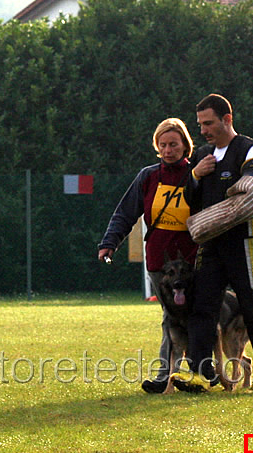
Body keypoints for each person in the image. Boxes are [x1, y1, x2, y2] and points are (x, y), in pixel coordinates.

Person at [171, 93, 253, 394]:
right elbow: (188, 198)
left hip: (245, 242)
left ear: (227, 119)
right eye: (200, 124)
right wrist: (194, 175)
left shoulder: (249, 149)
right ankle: (199, 374)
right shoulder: (202, 156)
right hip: (211, 245)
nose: (203, 130)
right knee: (201, 308)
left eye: (209, 123)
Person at [98, 118, 198, 393]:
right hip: (160, 264)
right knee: (170, 316)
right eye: (162, 145)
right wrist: (110, 242)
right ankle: (166, 376)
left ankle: (198, 372)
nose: (168, 150)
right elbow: (125, 212)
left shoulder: (197, 174)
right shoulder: (147, 176)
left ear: (185, 145)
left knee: (200, 315)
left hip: (194, 261)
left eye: (173, 144)